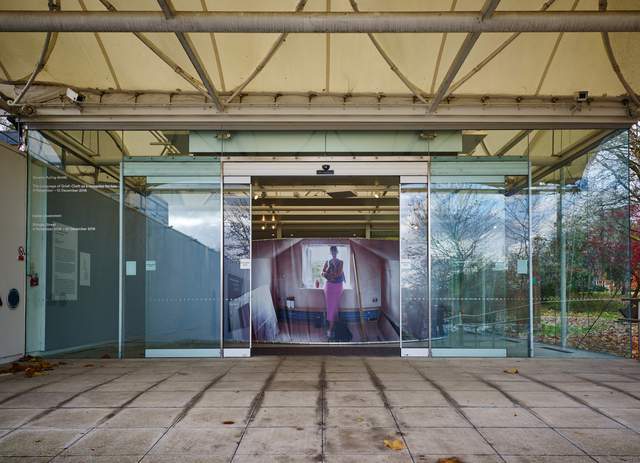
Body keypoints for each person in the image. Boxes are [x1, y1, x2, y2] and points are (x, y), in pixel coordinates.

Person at [322, 245, 345, 339]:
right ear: (330, 252)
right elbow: (322, 273)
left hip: (338, 286)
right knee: (331, 307)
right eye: (332, 251)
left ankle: (332, 328)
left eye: (335, 251)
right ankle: (332, 327)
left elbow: (338, 274)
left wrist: (329, 274)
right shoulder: (327, 261)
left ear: (337, 252)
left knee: (334, 306)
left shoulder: (341, 262)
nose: (333, 253)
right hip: (329, 286)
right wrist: (327, 273)